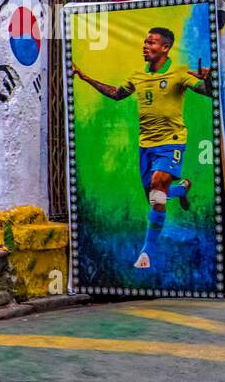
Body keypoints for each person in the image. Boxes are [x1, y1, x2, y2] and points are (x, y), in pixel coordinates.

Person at [73, 26, 214, 269]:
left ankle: (146, 252)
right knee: (155, 197)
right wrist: (86, 78)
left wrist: (209, 79)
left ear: (165, 48)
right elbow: (117, 94)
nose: (146, 46)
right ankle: (181, 189)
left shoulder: (179, 74)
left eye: (152, 43)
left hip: (171, 142)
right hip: (145, 146)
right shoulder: (138, 75)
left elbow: (206, 92)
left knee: (159, 184)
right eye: (145, 42)